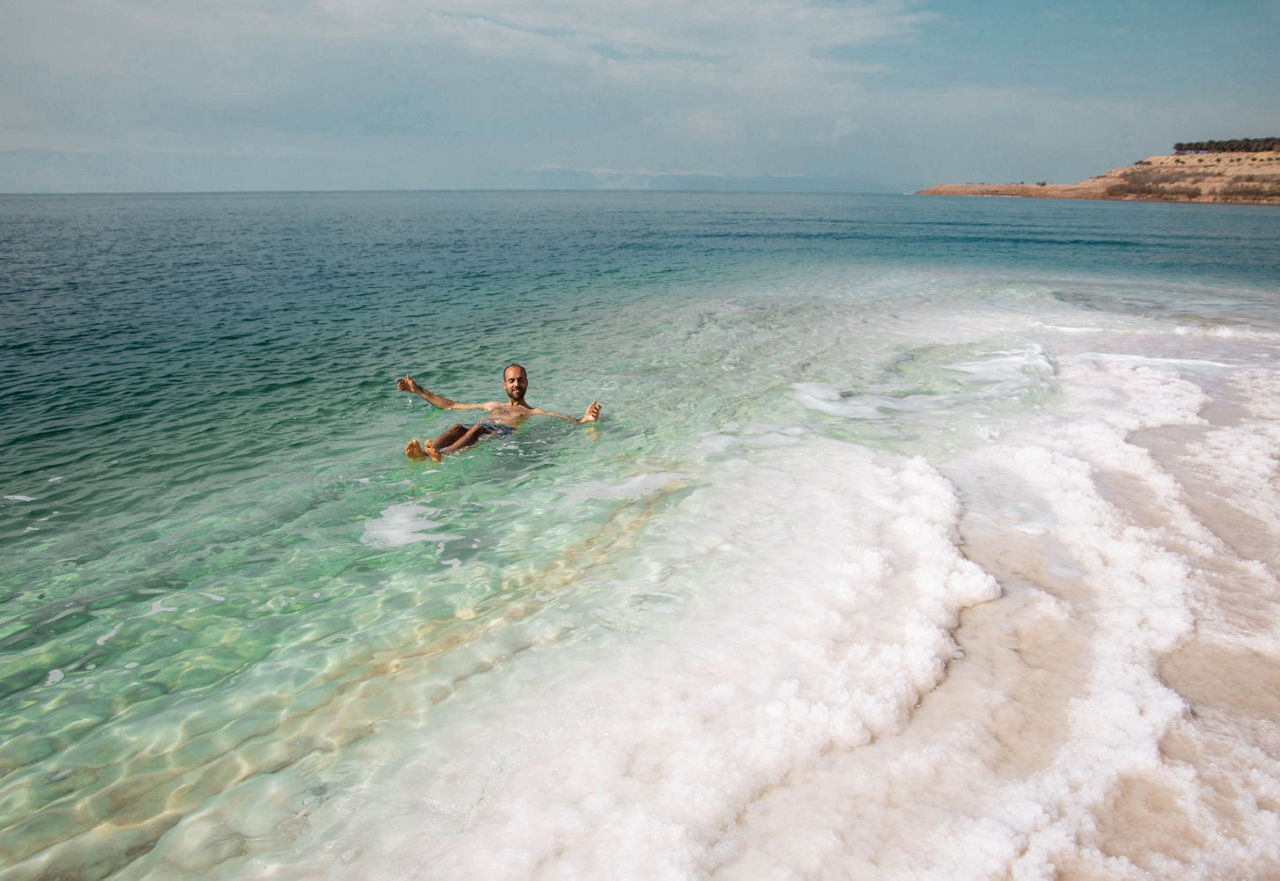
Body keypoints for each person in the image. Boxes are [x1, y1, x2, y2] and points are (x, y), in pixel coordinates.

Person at [397, 363, 601, 461]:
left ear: (526, 382)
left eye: (520, 380)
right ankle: (425, 454)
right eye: (511, 381)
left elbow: (563, 419)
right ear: (504, 385)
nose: (516, 384)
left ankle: (441, 455)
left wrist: (583, 420)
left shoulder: (532, 411)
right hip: (483, 427)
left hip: (502, 432)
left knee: (476, 428)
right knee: (457, 427)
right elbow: (450, 405)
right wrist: (418, 390)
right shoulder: (492, 405)